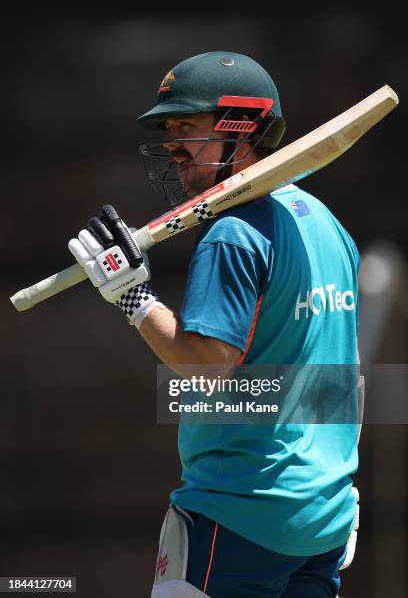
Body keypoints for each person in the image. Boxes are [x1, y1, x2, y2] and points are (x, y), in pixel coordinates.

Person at [69, 51, 361, 598]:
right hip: (323, 516)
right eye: (168, 132)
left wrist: (132, 297)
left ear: (241, 130)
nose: (175, 148)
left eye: (188, 128)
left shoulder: (233, 234)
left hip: (237, 513)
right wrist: (337, 481)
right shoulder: (328, 225)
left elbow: (206, 370)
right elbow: (337, 372)